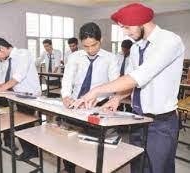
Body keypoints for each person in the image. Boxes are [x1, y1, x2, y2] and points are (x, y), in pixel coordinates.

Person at [72, 3, 185, 173]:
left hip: (161, 122)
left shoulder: (169, 41)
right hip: (137, 119)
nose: (125, 32)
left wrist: (96, 90)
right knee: (138, 167)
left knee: (159, 168)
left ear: (141, 21)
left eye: (126, 27)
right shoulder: (136, 48)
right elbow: (130, 81)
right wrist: (116, 98)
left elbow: (139, 76)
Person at [61, 22, 119, 173]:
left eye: (94, 45)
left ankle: (91, 170)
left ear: (101, 40)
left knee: (93, 145)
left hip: (98, 106)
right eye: (86, 46)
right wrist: (66, 96)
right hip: (75, 104)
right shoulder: (74, 57)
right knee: (70, 141)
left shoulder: (111, 58)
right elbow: (67, 79)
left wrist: (99, 99)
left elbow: (115, 85)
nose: (90, 50)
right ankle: (69, 169)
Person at [0, 37, 41, 160]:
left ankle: (31, 151)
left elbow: (17, 77)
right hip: (20, 95)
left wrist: (3, 87)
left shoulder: (23, 54)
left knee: (24, 124)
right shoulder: (8, 60)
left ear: (1, 48)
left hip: (30, 95)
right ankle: (30, 151)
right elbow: (8, 79)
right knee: (22, 124)